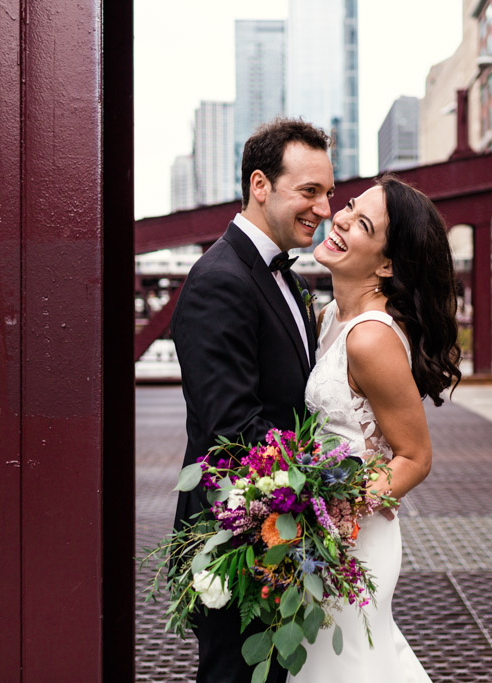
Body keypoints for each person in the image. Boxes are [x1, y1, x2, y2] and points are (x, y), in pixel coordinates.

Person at [171, 118, 335, 683]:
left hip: (281, 530)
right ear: (260, 185)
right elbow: (231, 427)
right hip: (236, 536)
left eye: (329, 194)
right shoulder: (220, 279)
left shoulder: (288, 279)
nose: (323, 209)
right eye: (309, 192)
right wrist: (328, 478)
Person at [292, 175, 462, 682]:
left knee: (348, 664)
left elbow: (415, 457)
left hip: (354, 536)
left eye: (362, 223)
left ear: (386, 264)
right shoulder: (328, 320)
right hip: (320, 531)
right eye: (348, 207)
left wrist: (340, 510)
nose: (339, 218)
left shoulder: (370, 338)